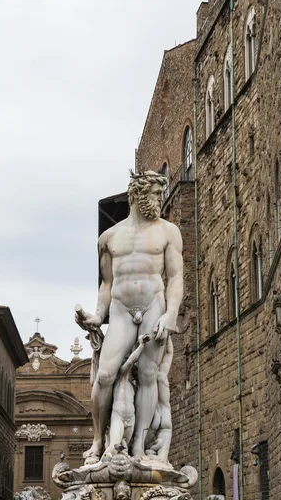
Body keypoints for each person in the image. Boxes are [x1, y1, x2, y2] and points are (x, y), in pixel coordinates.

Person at [76, 171, 183, 463]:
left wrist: (170, 314)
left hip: (154, 307)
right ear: (136, 195)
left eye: (161, 195)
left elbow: (175, 278)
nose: (159, 201)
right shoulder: (108, 238)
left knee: (148, 375)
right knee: (105, 375)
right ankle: (98, 442)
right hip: (122, 311)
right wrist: (98, 315)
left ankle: (137, 447)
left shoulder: (168, 231)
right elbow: (107, 284)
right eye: (155, 195)